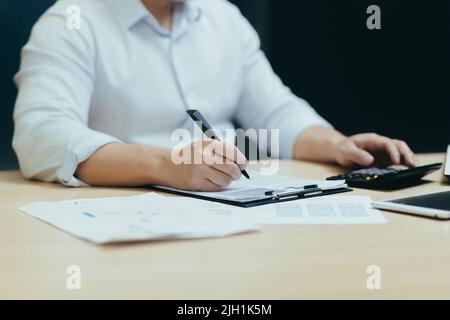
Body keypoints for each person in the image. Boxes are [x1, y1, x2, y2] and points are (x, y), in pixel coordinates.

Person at [12, 0, 417, 192]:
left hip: (227, 200)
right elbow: (41, 135)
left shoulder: (222, 16)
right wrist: (166, 165)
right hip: (120, 210)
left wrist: (338, 145)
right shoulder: (71, 21)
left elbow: (273, 109)